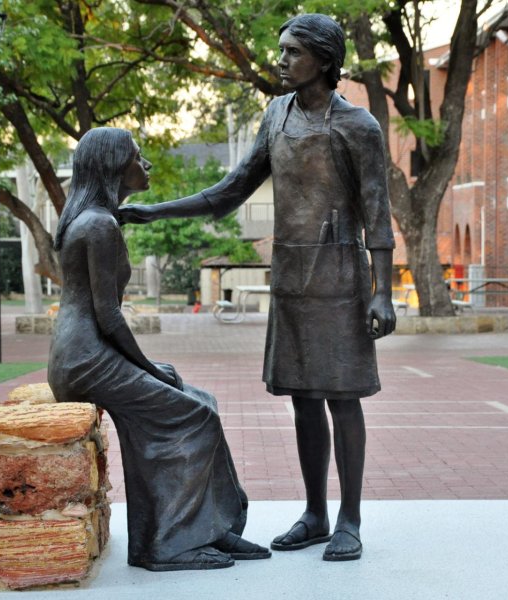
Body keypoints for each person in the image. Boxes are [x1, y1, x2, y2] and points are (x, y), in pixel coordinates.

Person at [120, 14, 396, 561]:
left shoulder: (358, 125)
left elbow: (378, 213)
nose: (281, 60)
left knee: (343, 398)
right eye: (281, 50)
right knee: (303, 399)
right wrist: (152, 212)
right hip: (292, 277)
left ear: (322, 59)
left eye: (292, 51)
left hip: (341, 276)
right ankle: (315, 513)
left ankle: (350, 519)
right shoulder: (276, 116)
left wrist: (381, 291)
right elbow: (229, 191)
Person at [48, 127, 269, 571]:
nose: (144, 165)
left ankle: (213, 529)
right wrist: (147, 366)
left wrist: (149, 368)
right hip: (85, 360)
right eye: (137, 157)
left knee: (200, 400)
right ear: (114, 166)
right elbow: (108, 317)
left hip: (86, 355)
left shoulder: (95, 218)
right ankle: (167, 545)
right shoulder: (98, 224)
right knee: (194, 416)